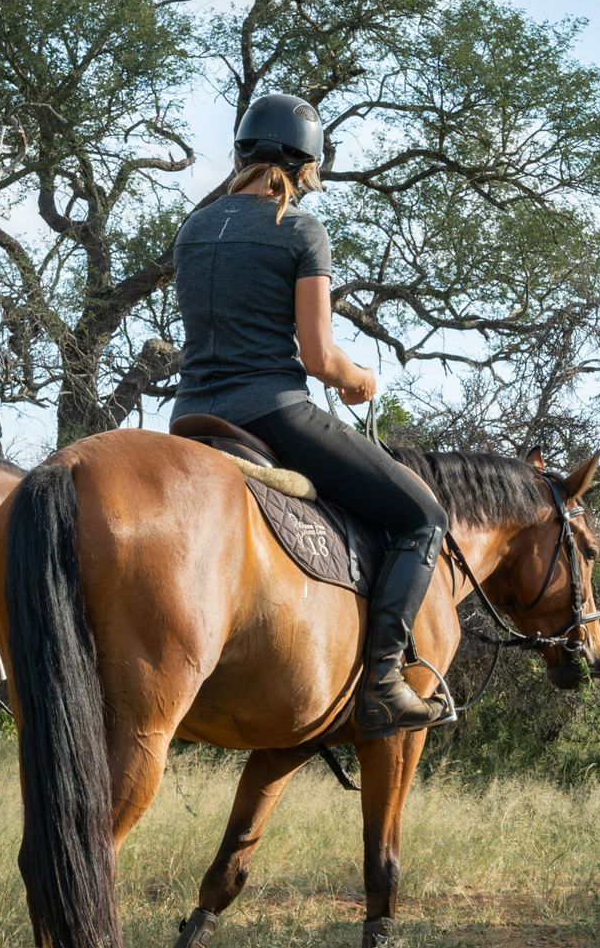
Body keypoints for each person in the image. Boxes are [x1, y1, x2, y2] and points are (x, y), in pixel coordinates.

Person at [172, 93, 453, 740]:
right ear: (305, 166)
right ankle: (383, 682)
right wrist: (361, 378)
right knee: (423, 518)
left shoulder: (195, 227)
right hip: (273, 415)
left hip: (191, 414)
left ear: (243, 153)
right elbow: (320, 356)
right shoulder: (299, 231)